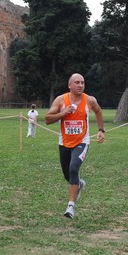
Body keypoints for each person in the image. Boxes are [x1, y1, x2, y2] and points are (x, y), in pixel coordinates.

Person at [45, 73, 105, 219]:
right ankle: (79, 184)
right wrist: (63, 113)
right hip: (64, 142)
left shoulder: (89, 100)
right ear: (69, 85)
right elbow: (47, 119)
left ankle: (70, 206)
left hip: (82, 142)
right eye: (77, 83)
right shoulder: (61, 100)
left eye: (82, 83)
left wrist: (101, 130)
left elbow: (98, 111)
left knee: (73, 169)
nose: (80, 85)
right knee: (68, 175)